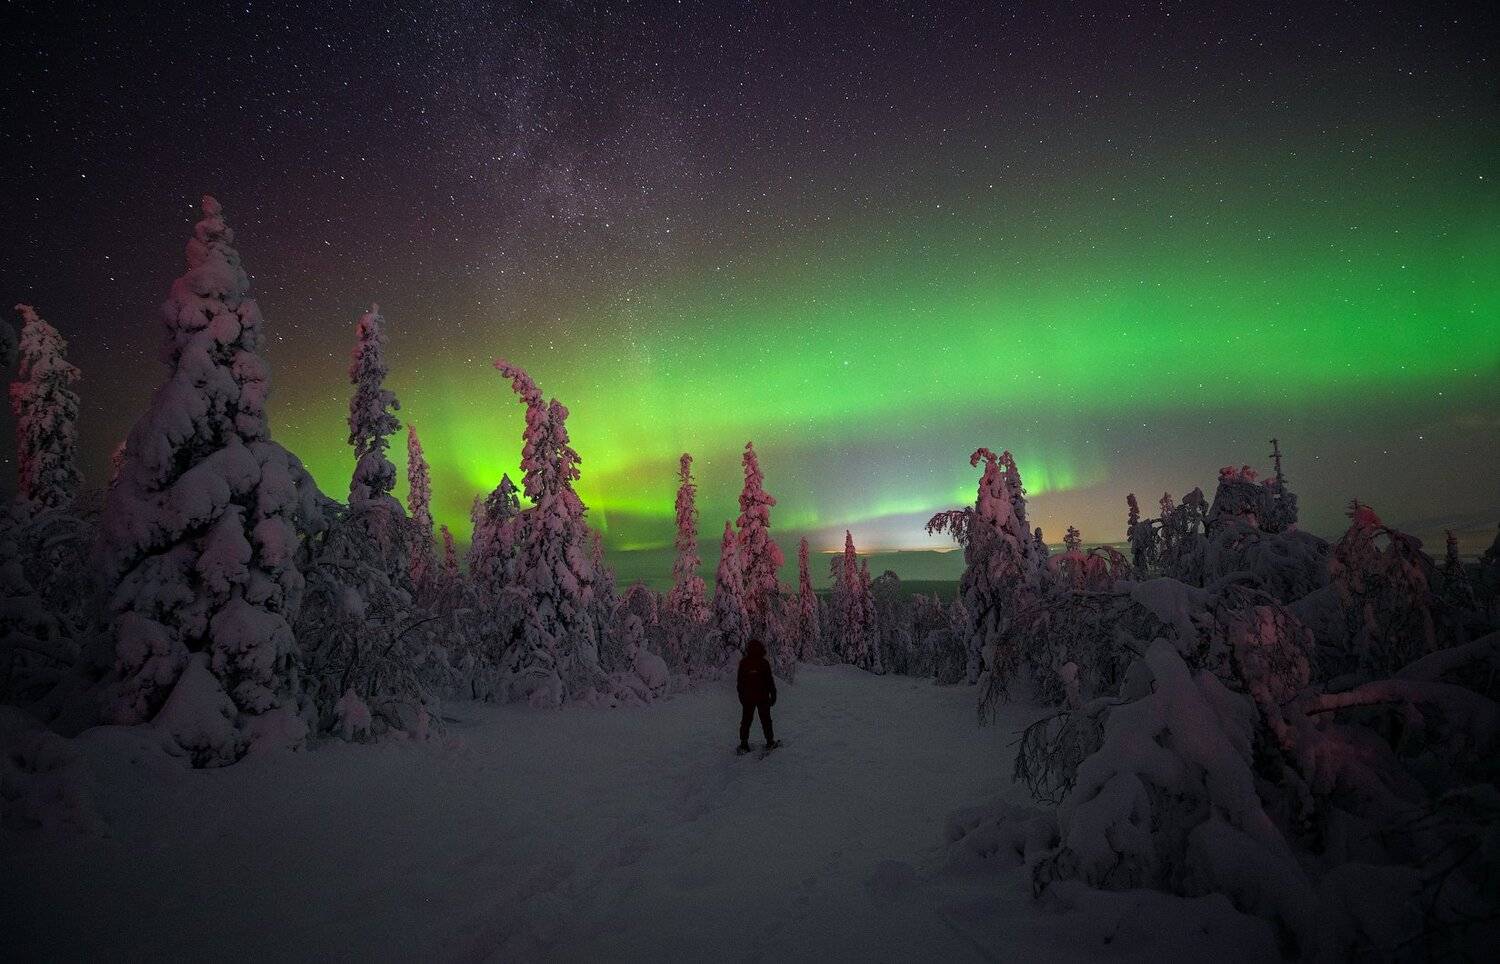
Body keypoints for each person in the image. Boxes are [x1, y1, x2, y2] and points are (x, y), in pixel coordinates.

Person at [736, 638, 778, 754]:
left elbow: (740, 682)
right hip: (762, 697)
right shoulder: (764, 663)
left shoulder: (744, 663)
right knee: (766, 721)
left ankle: (744, 744)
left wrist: (741, 697)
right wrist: (773, 694)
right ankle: (770, 741)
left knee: (746, 721)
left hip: (748, 698)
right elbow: (770, 681)